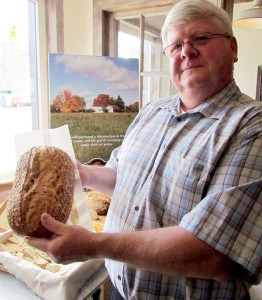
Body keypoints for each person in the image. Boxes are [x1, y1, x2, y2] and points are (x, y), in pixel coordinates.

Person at [26, 0, 262, 299]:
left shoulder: (251, 127)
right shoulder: (152, 111)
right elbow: (123, 179)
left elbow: (214, 253)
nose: (186, 51)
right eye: (175, 46)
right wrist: (84, 174)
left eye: (201, 38)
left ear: (233, 47)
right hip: (116, 289)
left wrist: (94, 244)